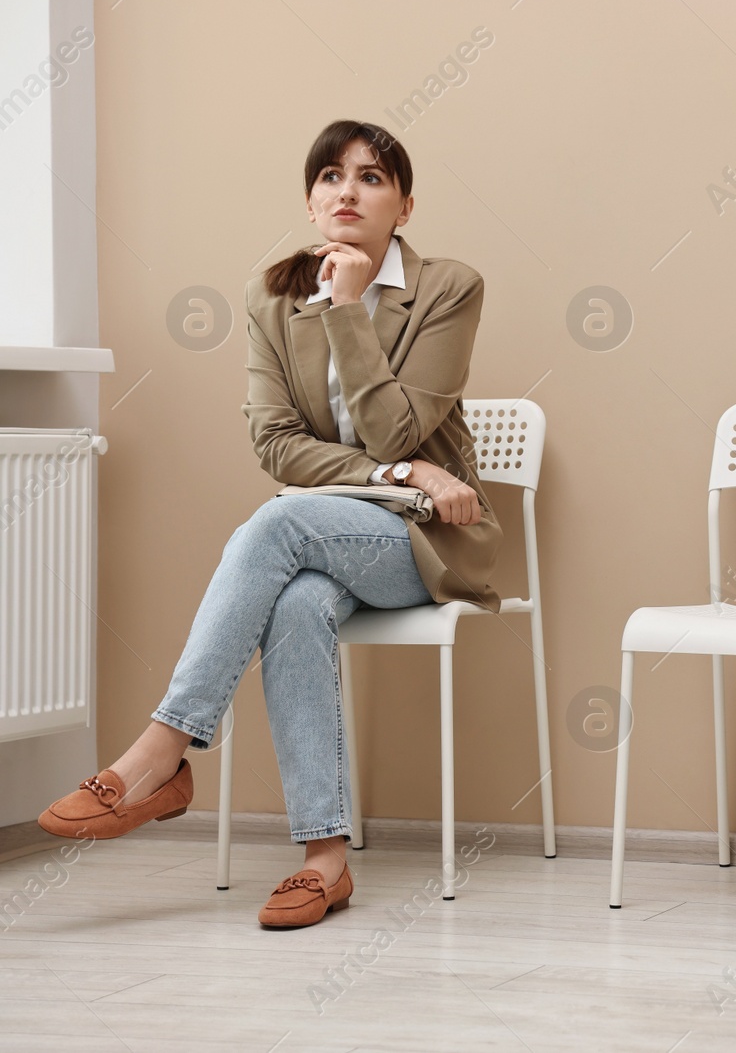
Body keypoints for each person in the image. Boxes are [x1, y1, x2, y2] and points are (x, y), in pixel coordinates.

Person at [38, 119, 501, 929]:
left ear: (405, 204)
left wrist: (351, 309)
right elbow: (278, 446)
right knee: (294, 600)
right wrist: (398, 471)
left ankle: (161, 753)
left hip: (423, 541)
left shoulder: (449, 286)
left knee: (274, 527)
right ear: (311, 201)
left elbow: (393, 425)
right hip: (336, 528)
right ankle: (326, 860)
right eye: (329, 176)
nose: (346, 190)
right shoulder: (272, 294)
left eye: (370, 177)